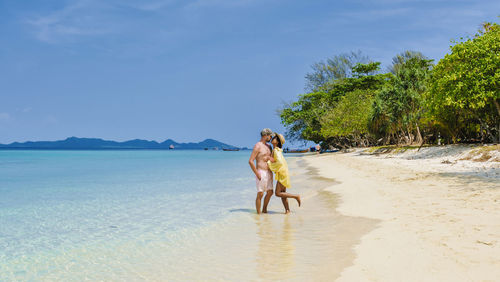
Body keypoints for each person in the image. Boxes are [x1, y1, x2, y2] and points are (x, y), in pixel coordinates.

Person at [267, 133, 301, 214]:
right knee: (283, 194)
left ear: (278, 142)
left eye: (275, 138)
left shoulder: (275, 150)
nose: (273, 138)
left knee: (278, 193)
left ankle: (296, 196)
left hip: (282, 172)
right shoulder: (277, 150)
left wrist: (268, 163)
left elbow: (280, 162)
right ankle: (287, 210)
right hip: (284, 172)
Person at [248, 128, 274, 214]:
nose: (271, 137)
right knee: (260, 194)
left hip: (269, 172)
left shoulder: (269, 146)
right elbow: (251, 161)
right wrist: (257, 173)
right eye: (270, 136)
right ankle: (259, 214)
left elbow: (272, 158)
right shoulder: (257, 146)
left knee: (270, 192)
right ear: (265, 135)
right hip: (261, 172)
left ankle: (264, 210)